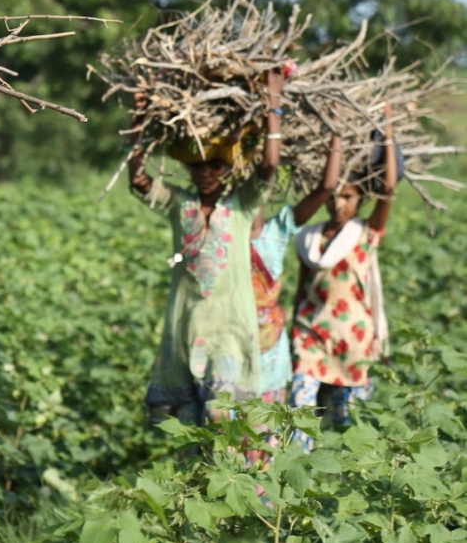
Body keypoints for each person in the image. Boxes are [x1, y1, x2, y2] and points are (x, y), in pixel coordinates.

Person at [128, 69, 285, 425]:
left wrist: (274, 105)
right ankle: (194, 482)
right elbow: (137, 179)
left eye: (214, 164)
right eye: (196, 164)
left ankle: (228, 478)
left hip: (230, 326)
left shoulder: (241, 207)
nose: (204, 172)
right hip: (186, 327)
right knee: (186, 428)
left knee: (220, 414)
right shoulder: (179, 204)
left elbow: (269, 165)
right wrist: (137, 120)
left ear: (226, 167)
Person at [288, 109, 397, 449]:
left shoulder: (365, 233)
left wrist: (388, 131)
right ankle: (291, 489)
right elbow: (301, 289)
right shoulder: (308, 238)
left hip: (353, 343)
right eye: (334, 195)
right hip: (310, 336)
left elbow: (389, 186)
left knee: (350, 431)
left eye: (348, 197)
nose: (338, 204)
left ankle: (341, 494)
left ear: (360, 198)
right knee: (298, 418)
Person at [250, 134, 344, 403]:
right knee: (224, 432)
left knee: (263, 432)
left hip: (269, 350)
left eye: (258, 191)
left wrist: (334, 134)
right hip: (229, 345)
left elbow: (326, 186)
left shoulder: (277, 229)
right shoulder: (224, 232)